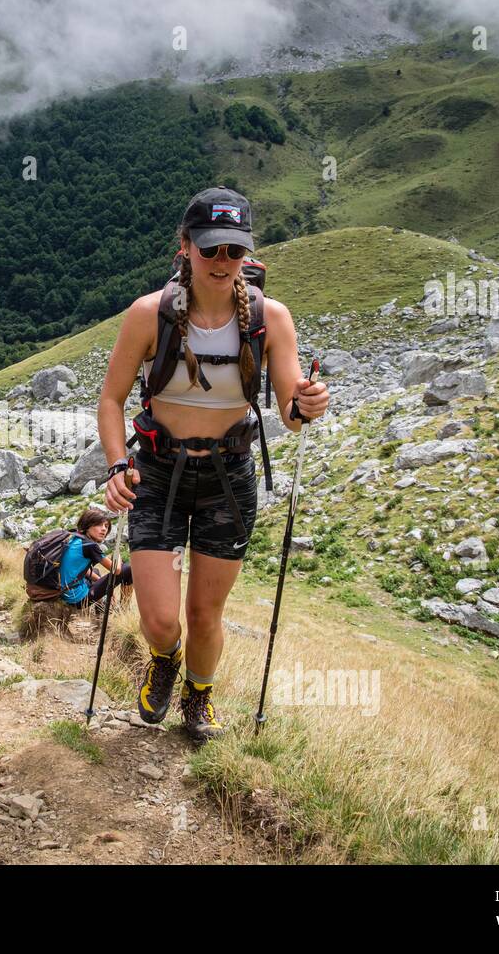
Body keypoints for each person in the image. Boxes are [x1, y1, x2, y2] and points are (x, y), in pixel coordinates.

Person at [96, 186, 330, 743]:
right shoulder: (147, 316)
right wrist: (114, 467)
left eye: (234, 250)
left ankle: (198, 697)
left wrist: (308, 404)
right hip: (156, 474)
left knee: (205, 614)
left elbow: (291, 411)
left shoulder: (271, 320)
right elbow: (110, 400)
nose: (223, 262)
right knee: (161, 619)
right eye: (210, 249)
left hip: (228, 479)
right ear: (185, 247)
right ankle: (164, 659)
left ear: (248, 252)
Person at [60, 508, 133, 609]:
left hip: (65, 593)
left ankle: (101, 609)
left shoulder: (75, 538)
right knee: (129, 569)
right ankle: (124, 609)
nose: (104, 529)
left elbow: (80, 570)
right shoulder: (89, 545)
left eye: (106, 526)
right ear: (87, 525)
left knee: (96, 571)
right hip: (77, 599)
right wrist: (117, 552)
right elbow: (116, 570)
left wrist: (102, 584)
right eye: (99, 524)